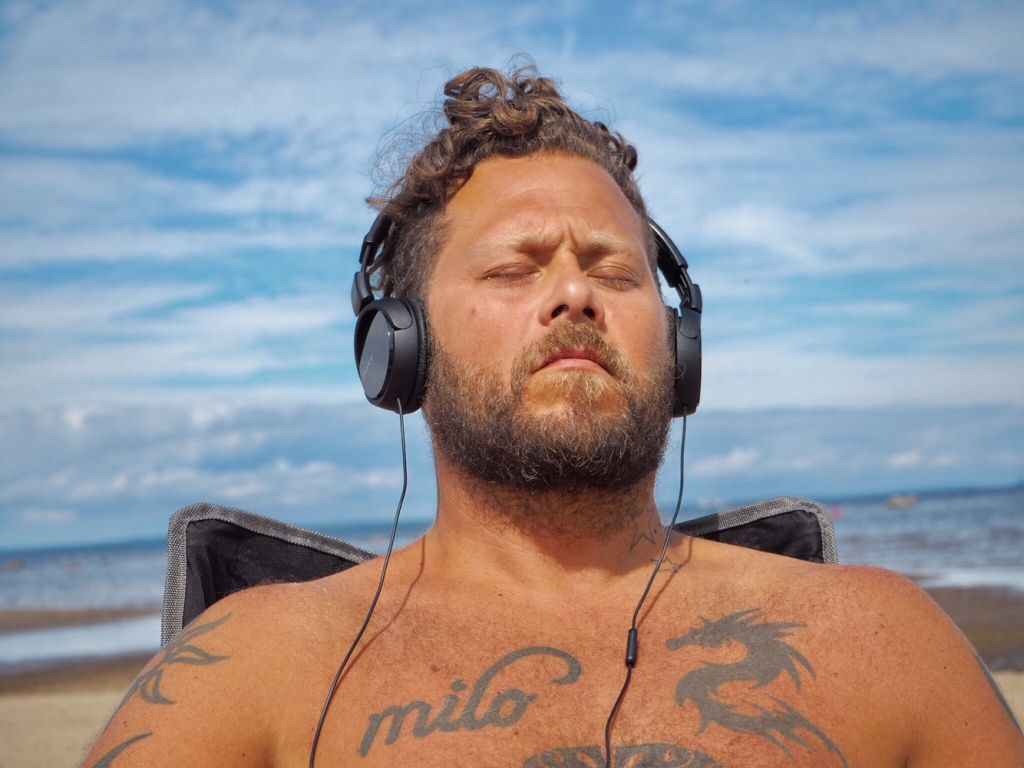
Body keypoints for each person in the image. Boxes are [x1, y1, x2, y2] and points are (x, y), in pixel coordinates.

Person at [83, 63, 1023, 768]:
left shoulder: (883, 640)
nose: (576, 293)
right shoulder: (253, 666)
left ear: (679, 347)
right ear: (401, 348)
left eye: (615, 271)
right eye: (513, 268)